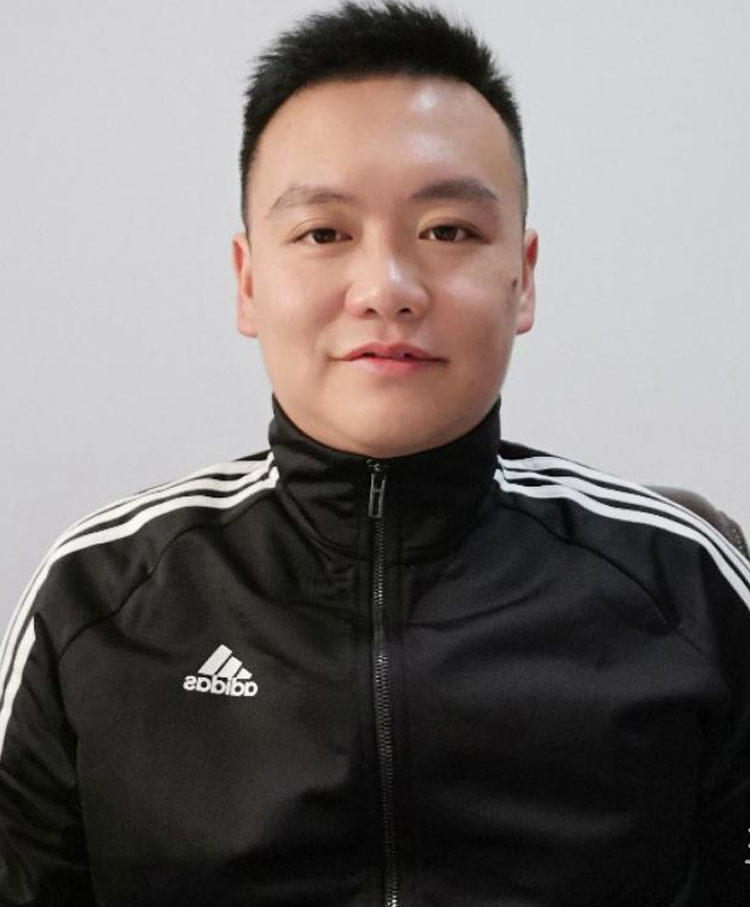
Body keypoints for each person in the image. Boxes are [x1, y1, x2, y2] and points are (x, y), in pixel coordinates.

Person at [1, 1, 748, 904]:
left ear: (524, 277)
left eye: (448, 231)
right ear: (248, 280)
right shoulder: (100, 598)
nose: (387, 288)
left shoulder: (683, 585)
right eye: (324, 233)